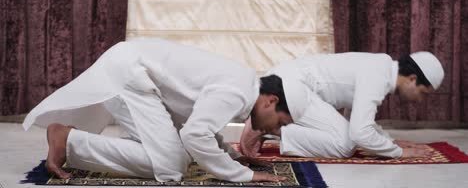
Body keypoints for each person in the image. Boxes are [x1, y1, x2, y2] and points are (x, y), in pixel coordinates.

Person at [23, 38, 303, 183]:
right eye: (281, 123)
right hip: (130, 75)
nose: (275, 132)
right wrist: (242, 174)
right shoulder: (238, 91)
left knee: (167, 155)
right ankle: (68, 140)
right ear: (271, 101)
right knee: (170, 166)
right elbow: (195, 135)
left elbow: (195, 123)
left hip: (132, 73)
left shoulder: (242, 85)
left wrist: (232, 157)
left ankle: (73, 141)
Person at [240, 52, 444, 159]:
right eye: (422, 93)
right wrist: (397, 152)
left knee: (348, 137)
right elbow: (360, 133)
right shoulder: (378, 75)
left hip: (290, 83)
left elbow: (359, 121)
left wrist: (389, 141)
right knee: (345, 145)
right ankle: (269, 128)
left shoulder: (380, 67)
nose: (419, 100)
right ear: (412, 78)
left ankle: (270, 126)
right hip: (291, 87)